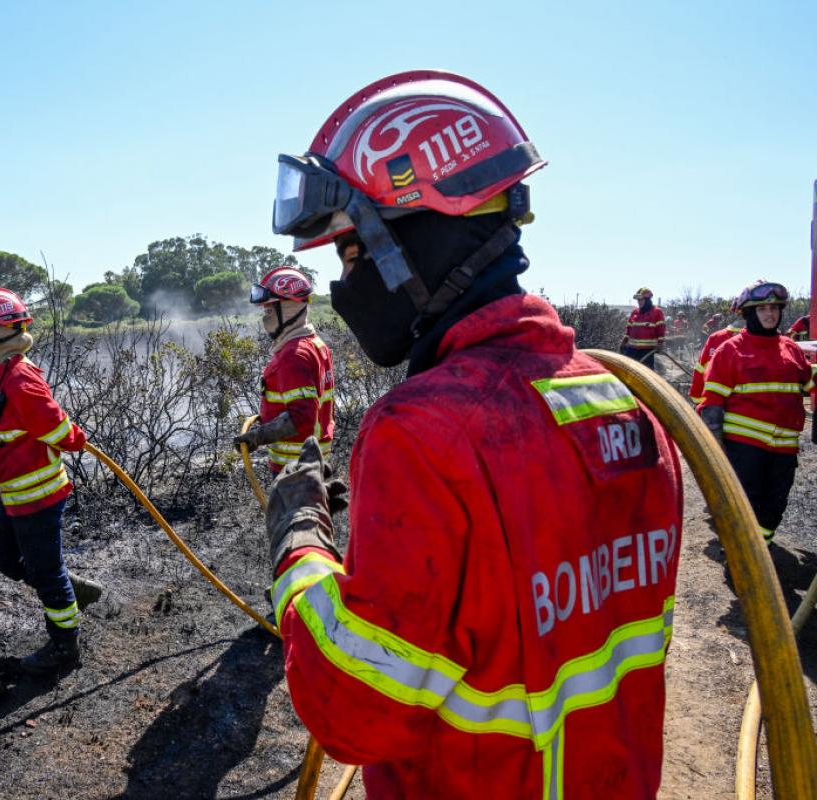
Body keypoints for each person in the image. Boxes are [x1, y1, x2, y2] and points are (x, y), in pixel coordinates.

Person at [264, 70, 682, 797]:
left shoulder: (424, 434)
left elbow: (354, 713)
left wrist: (299, 542)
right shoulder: (628, 402)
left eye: (352, 252)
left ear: (415, 241)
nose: (346, 282)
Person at [0, 287, 102, 674]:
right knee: (4, 559)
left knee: (45, 573)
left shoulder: (18, 380)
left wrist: (76, 439)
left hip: (39, 497)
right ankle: (69, 589)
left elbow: (57, 428)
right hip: (15, 495)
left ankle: (65, 647)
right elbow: (7, 434)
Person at [699, 281, 813, 546]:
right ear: (749, 313)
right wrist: (715, 446)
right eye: (762, 308)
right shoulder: (731, 350)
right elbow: (712, 402)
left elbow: (809, 382)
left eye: (774, 307)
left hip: (785, 447)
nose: (770, 313)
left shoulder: (791, 348)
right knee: (745, 504)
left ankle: (761, 554)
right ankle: (741, 559)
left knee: (774, 507)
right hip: (745, 448)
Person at [232, 267, 335, 472]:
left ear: (289, 308)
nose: (265, 318)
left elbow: (301, 418)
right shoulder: (315, 345)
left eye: (269, 310)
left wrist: (257, 436)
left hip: (296, 469)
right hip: (313, 463)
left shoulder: (293, 355)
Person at [688, 305, 743, 405]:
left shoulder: (717, 336)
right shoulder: (712, 325)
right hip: (705, 334)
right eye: (719, 318)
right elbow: (705, 328)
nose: (719, 320)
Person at [620, 288, 666, 369]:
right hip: (632, 348)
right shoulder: (635, 312)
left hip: (647, 350)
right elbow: (629, 329)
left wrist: (660, 343)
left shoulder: (657, 312)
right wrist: (624, 341)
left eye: (641, 299)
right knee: (627, 369)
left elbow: (661, 329)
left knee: (646, 373)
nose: (639, 302)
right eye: (638, 300)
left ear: (647, 300)